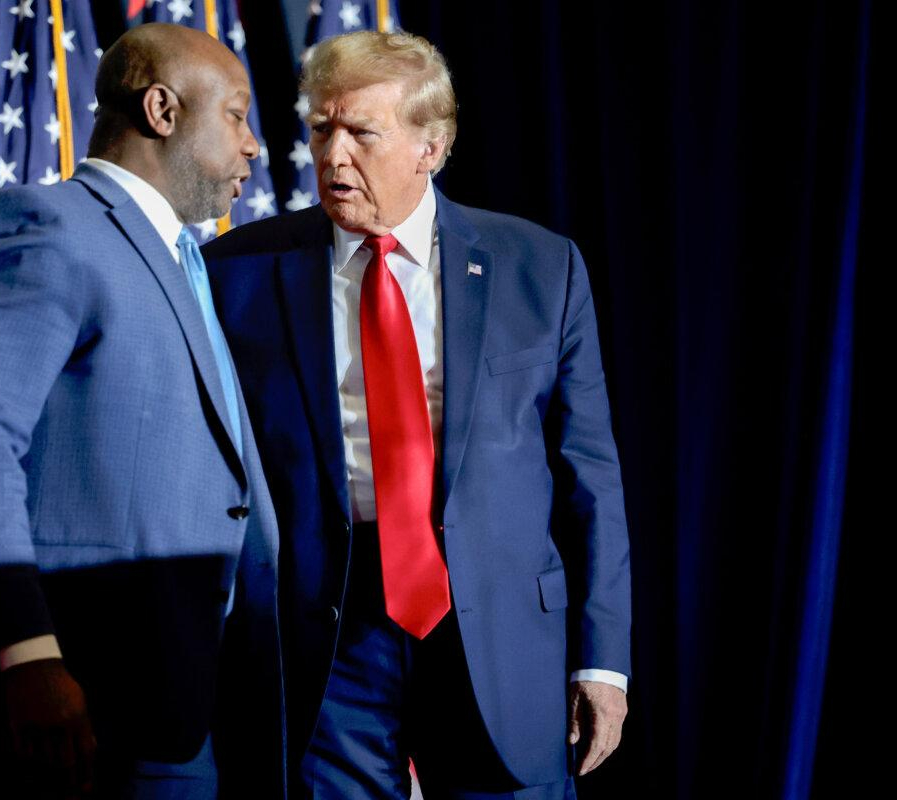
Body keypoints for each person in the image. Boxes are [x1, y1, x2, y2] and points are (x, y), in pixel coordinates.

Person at [203, 30, 631, 800]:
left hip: (495, 631)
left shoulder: (542, 268)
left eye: (362, 133)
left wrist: (603, 661)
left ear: (430, 147)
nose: (333, 157)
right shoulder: (238, 273)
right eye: (322, 128)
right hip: (326, 640)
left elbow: (590, 479)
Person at [0, 23, 283, 800]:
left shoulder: (190, 262)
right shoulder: (45, 230)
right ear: (163, 110)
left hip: (190, 708)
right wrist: (28, 652)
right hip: (78, 716)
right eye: (239, 116)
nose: (255, 147)